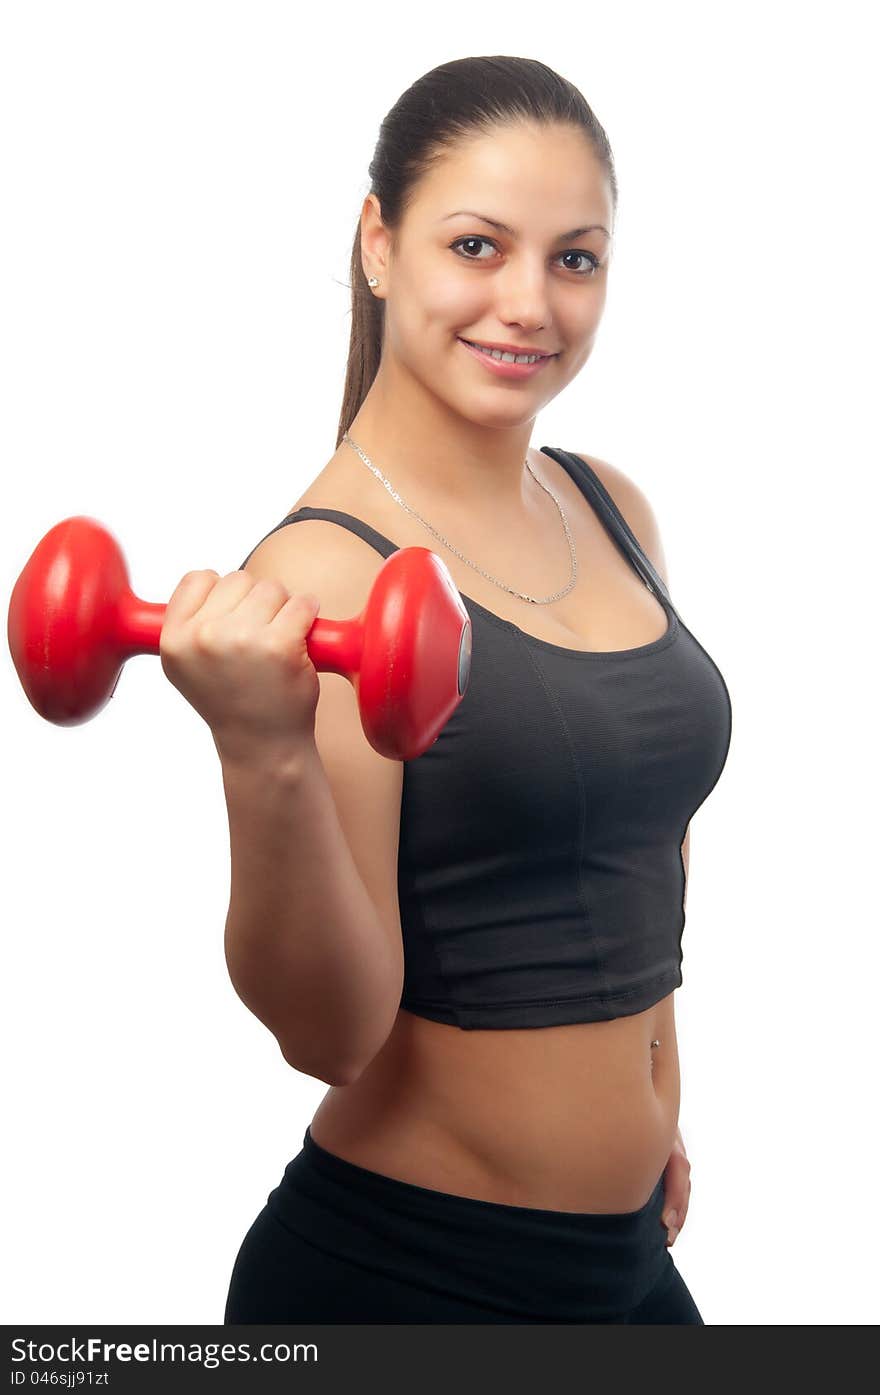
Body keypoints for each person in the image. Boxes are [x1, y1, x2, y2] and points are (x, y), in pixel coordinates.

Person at [161, 55, 732, 1324]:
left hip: (629, 1262)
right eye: (477, 245)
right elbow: (331, 1035)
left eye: (574, 259)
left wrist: (655, 1117)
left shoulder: (607, 505)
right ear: (379, 243)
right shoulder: (322, 575)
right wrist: (263, 756)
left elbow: (646, 846)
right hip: (416, 1275)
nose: (528, 303)